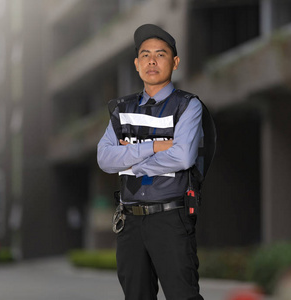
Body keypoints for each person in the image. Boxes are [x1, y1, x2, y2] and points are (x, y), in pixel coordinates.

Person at [97, 24, 205, 300]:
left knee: (183, 296)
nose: (152, 61)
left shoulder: (187, 106)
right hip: (129, 222)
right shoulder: (122, 109)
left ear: (175, 62)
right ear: (136, 64)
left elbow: (182, 157)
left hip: (170, 219)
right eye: (145, 55)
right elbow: (104, 158)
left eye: (160, 54)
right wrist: (155, 146)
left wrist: (130, 161)